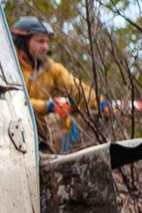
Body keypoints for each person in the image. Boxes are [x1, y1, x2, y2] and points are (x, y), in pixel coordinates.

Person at [11, 14, 95, 150]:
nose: (45, 47)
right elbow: (14, 101)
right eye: (40, 41)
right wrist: (48, 107)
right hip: (10, 130)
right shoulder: (7, 64)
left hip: (38, 135)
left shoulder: (50, 68)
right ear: (22, 42)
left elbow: (76, 87)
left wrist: (100, 103)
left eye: (47, 42)